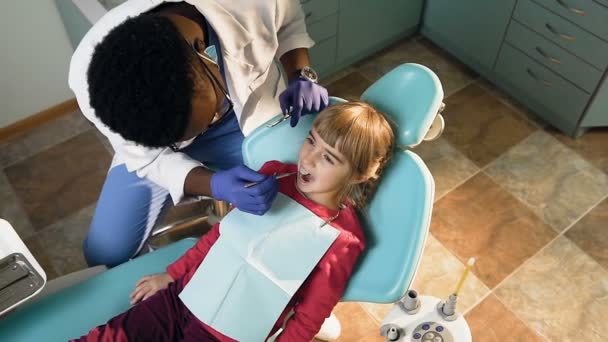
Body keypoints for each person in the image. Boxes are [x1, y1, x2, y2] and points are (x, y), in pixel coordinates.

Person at [71, 101, 395, 341]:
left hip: (227, 334)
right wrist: (171, 276)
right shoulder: (273, 175)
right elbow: (220, 235)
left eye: (328, 158)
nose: (308, 158)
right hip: (184, 295)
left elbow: (309, 317)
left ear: (361, 173)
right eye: (311, 141)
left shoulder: (342, 240)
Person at [68, 0, 330, 267]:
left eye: (207, 115)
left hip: (240, 125)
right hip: (158, 152)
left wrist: (301, 74)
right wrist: (215, 185)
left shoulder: (250, 4)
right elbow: (150, 158)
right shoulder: (92, 79)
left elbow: (288, 19)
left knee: (303, 197)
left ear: (205, 52)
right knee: (105, 255)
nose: (202, 131)